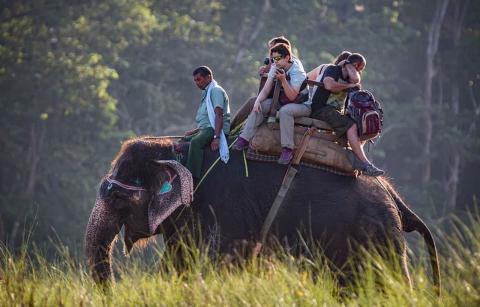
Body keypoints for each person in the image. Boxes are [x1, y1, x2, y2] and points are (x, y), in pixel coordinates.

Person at [234, 43, 310, 164]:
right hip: (281, 101)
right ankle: (244, 138)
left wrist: (283, 80)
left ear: (287, 57)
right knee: (260, 106)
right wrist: (257, 101)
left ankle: (287, 149)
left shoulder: (297, 72)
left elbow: (292, 96)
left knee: (286, 112)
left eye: (278, 58)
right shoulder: (275, 66)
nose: (275, 62)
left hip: (302, 104)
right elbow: (266, 89)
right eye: (273, 59)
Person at [310, 53, 384, 176]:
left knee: (361, 126)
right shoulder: (333, 70)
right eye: (360, 69)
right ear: (354, 65)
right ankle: (365, 164)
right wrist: (348, 67)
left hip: (336, 113)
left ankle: (356, 158)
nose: (359, 72)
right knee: (351, 126)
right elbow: (329, 85)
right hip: (321, 109)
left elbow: (356, 80)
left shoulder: (351, 79)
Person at [182, 66, 231, 179]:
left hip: (214, 129)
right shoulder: (206, 92)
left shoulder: (215, 90)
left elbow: (219, 114)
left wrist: (217, 137)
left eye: (199, 79)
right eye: (195, 80)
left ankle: (191, 178)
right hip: (206, 129)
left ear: (208, 77)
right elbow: (208, 117)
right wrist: (195, 130)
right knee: (184, 140)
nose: (197, 83)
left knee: (195, 142)